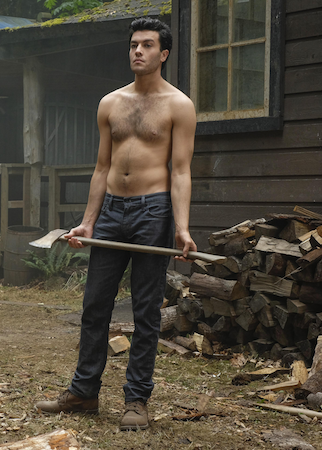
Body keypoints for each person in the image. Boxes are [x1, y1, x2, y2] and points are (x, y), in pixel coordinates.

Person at [35, 17, 197, 431]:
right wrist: (88, 223)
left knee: (145, 311)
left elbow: (181, 171)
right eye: (133, 45)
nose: (138, 51)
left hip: (153, 211)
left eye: (147, 45)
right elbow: (101, 167)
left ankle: (136, 400)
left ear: (164, 53)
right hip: (110, 212)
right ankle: (84, 392)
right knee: (95, 305)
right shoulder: (110, 102)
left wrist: (182, 227)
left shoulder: (179, 105)